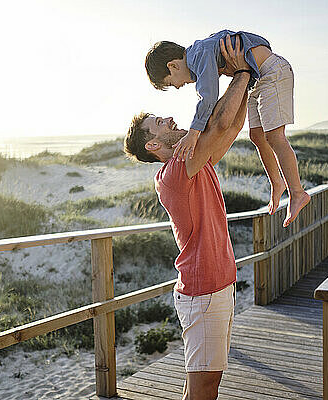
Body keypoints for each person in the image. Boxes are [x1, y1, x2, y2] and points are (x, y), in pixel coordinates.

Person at [125, 36, 248, 400]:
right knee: (204, 387)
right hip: (204, 291)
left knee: (205, 383)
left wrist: (247, 82)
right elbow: (219, 126)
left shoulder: (193, 160)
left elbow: (230, 128)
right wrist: (240, 72)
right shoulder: (176, 172)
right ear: (152, 145)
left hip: (219, 285)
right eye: (158, 122)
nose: (169, 118)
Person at [145, 29, 310, 227]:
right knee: (257, 136)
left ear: (173, 65)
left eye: (172, 83)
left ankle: (297, 192)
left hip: (272, 72)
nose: (178, 87)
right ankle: (277, 182)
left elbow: (208, 97)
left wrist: (193, 133)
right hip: (257, 79)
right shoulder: (202, 51)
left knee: (275, 137)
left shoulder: (199, 55)